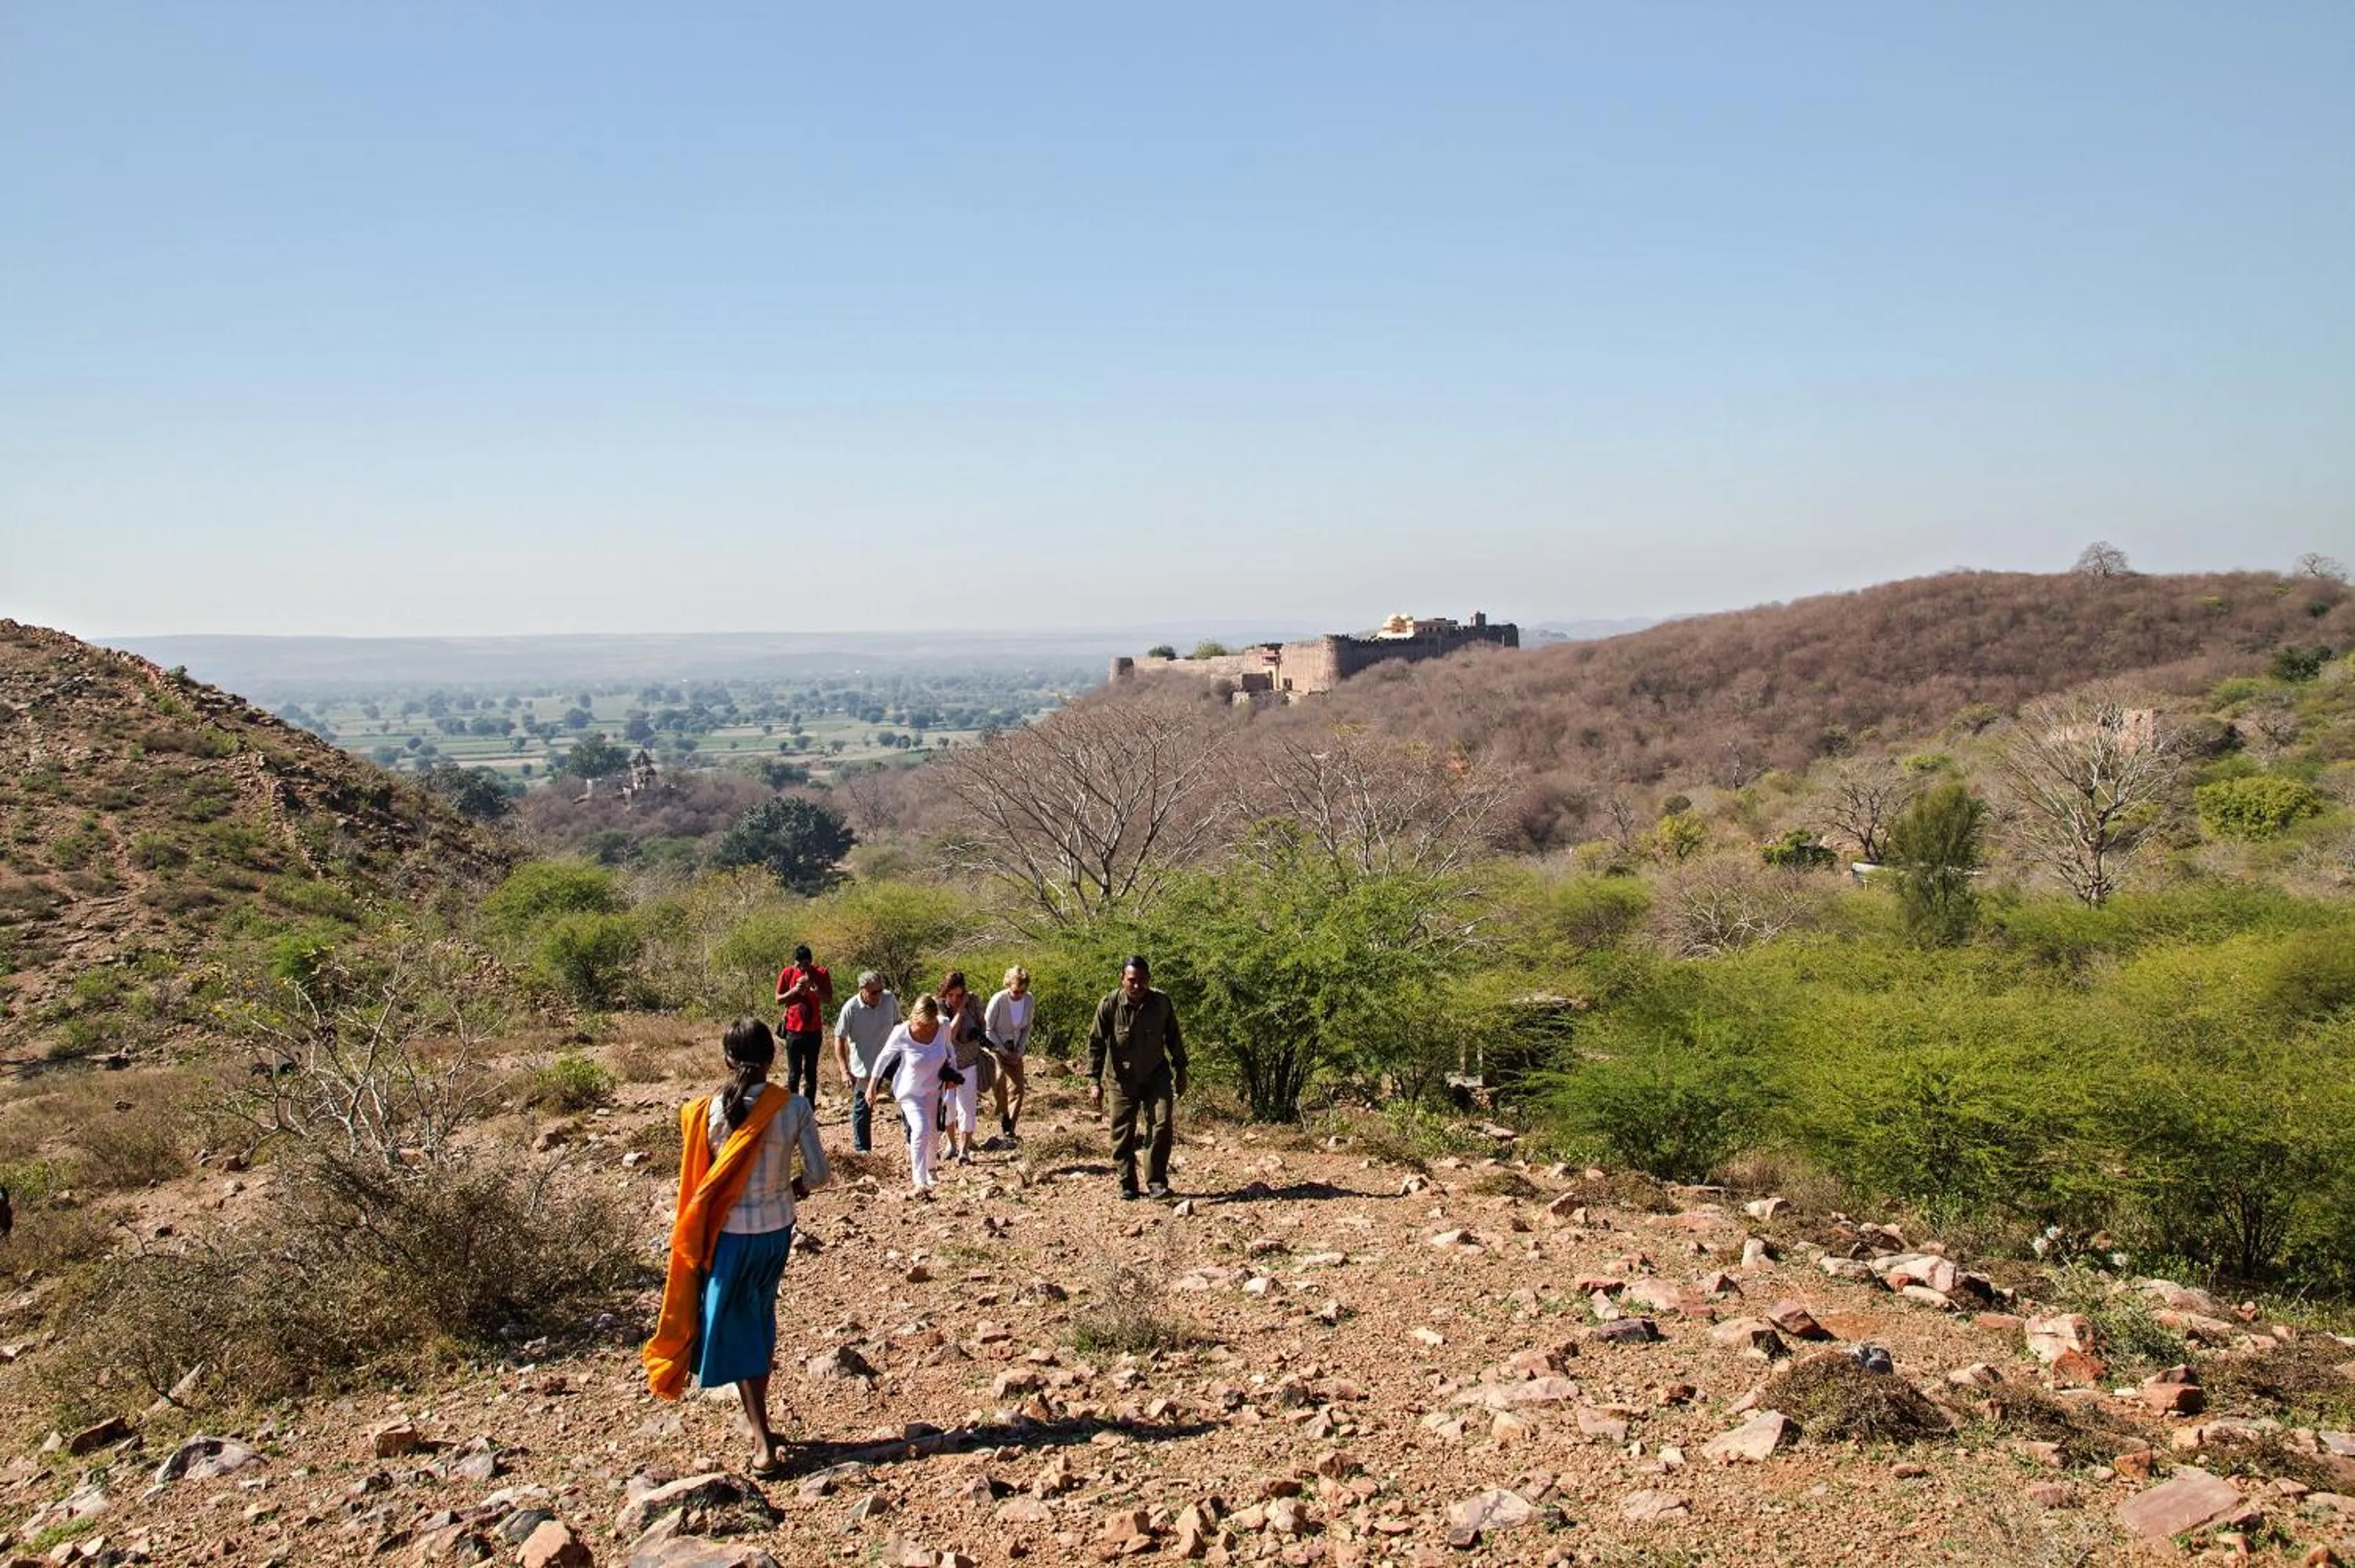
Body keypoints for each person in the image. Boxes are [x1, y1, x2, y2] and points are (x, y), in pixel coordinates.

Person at [642, 1018, 831, 1477]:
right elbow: (820, 1173)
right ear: (772, 1058)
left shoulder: (705, 1112)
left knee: (740, 1322)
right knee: (759, 1315)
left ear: (727, 1059)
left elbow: (701, 1184)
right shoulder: (794, 1107)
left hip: (726, 1237)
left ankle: (762, 1438)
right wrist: (797, 1189)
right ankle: (757, 1421)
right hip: (776, 1232)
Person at [1087, 955, 1186, 1202]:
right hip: (1121, 1080)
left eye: (1142, 980)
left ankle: (1156, 1183)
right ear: (1122, 979)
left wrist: (1181, 1070)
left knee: (1161, 1124)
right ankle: (1127, 1183)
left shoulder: (1161, 1003)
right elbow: (1096, 1044)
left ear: (1149, 980)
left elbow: (1174, 1038)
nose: (1137, 985)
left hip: (1156, 1076)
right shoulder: (1109, 1004)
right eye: (1132, 980)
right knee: (1122, 1132)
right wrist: (1093, 1081)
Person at [867, 994, 953, 1192]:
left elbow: (949, 1050)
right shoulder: (902, 1032)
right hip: (909, 1091)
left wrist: (951, 1074)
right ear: (915, 1017)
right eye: (923, 1023)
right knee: (921, 1129)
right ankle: (919, 1178)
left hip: (933, 1088)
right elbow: (883, 1058)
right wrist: (873, 1084)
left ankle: (931, 1169)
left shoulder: (943, 1026)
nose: (927, 1027)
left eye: (930, 1023)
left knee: (933, 1132)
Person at [831, 972, 899, 1154]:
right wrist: (844, 1070)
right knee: (863, 1105)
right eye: (873, 992)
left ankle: (912, 1140)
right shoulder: (850, 1008)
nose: (878, 995)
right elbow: (839, 1038)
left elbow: (899, 1025)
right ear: (862, 990)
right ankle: (863, 1150)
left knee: (908, 1094)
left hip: (891, 1059)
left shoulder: (889, 999)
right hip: (865, 1063)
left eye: (880, 990)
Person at [935, 972, 991, 1167]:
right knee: (949, 1106)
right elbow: (949, 1034)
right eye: (951, 995)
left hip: (969, 1061)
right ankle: (951, 1144)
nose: (955, 999)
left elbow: (984, 1025)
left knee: (967, 1108)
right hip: (947, 1064)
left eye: (959, 995)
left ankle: (964, 1149)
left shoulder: (974, 1001)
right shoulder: (939, 1006)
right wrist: (960, 1011)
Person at [774, 944, 833, 1108]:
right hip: (794, 1031)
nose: (802, 968)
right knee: (794, 1074)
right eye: (799, 964)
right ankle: (792, 1110)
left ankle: (808, 1111)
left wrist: (816, 991)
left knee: (811, 1074)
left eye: (806, 964)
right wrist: (794, 991)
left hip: (814, 1032)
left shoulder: (821, 974)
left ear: (810, 962)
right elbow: (778, 999)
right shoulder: (788, 973)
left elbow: (828, 998)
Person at [983, 965, 1035, 1146]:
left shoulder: (1029, 1000)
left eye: (1022, 991)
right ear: (1008, 985)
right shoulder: (998, 1000)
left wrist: (1019, 1051)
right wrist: (1003, 1051)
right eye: (1015, 991)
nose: (1019, 995)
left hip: (1015, 1048)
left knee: (1018, 1088)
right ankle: (1002, 1113)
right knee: (999, 1081)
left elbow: (1027, 1027)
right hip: (996, 1046)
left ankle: (1009, 1128)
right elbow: (988, 1029)